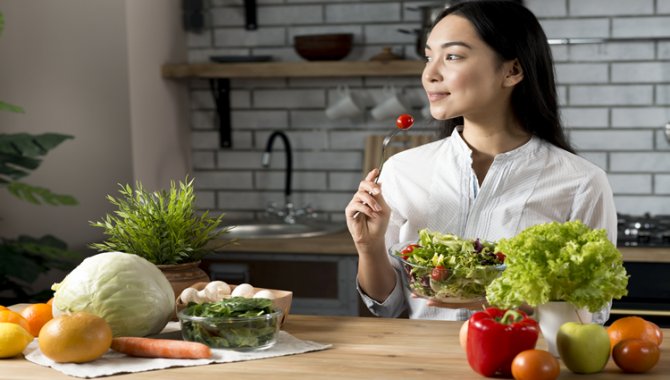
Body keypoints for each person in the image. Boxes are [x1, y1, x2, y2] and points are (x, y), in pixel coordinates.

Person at [344, 1, 617, 322]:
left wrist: (507, 301)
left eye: (453, 56)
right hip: (423, 366)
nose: (430, 74)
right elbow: (387, 307)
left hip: (523, 365)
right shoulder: (403, 170)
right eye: (429, 57)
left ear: (512, 70)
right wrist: (369, 246)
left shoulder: (581, 182)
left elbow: (592, 312)